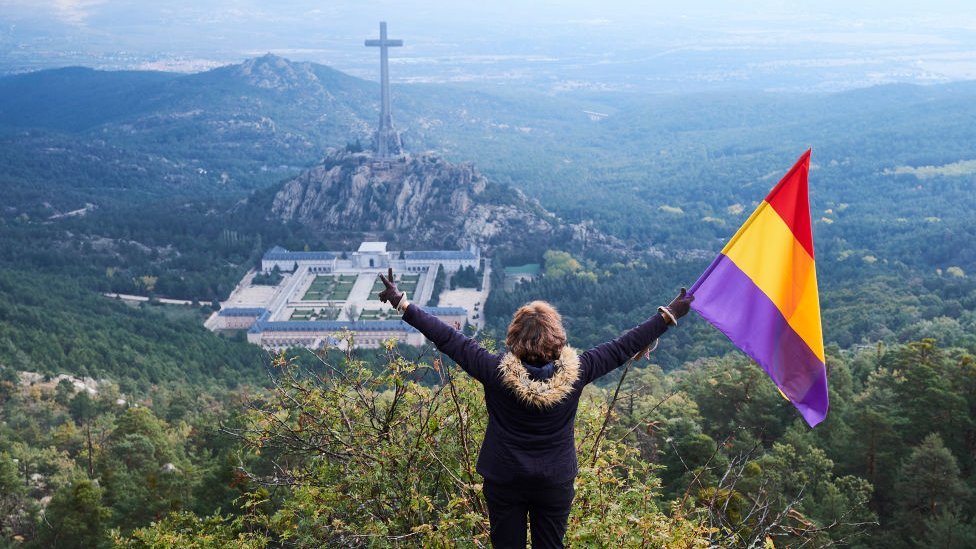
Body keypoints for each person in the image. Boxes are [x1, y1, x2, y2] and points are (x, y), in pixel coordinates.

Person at [378, 268, 693, 548]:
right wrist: (668, 315)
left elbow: (447, 337)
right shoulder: (579, 371)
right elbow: (624, 345)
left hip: (504, 479)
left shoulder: (493, 371)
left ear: (514, 337)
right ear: (558, 339)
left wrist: (402, 302)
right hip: (554, 481)